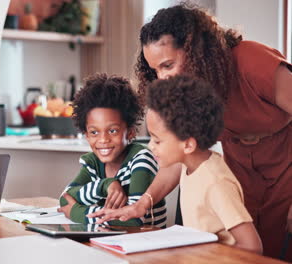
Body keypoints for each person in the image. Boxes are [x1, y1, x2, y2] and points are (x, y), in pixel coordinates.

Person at [89, 4, 291, 259]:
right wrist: (140, 205)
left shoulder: (252, 62)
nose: (162, 78)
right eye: (155, 70)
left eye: (168, 65)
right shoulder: (191, 95)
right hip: (242, 170)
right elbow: (177, 157)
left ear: (197, 52)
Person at [156, 76, 261, 252]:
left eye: (157, 141)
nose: (151, 146)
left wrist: (205, 255)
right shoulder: (188, 167)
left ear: (188, 145)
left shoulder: (216, 183)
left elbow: (253, 246)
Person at [58, 73, 166, 227]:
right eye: (94, 132)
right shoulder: (92, 163)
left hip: (147, 245)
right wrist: (105, 185)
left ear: (130, 132)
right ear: (86, 136)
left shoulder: (141, 159)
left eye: (113, 131)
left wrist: (76, 212)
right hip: (110, 243)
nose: (103, 140)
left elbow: (133, 220)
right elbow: (65, 198)